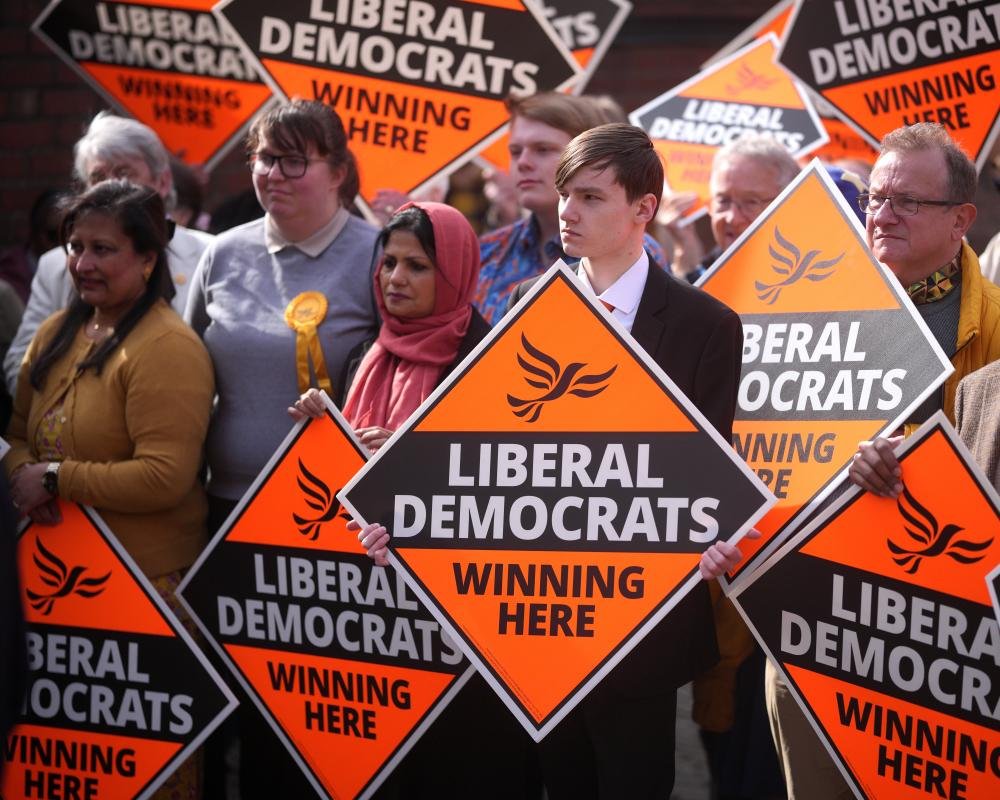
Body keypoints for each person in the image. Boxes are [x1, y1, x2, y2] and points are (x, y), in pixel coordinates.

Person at [362, 123, 742, 798]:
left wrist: (715, 535)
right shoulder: (520, 307)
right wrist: (405, 516)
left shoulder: (705, 325)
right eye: (566, 194)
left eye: (592, 197)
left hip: (640, 622)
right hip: (540, 615)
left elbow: (705, 474)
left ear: (643, 210)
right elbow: (490, 459)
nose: (568, 211)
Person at [774, 123, 1000, 800]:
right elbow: (766, 455)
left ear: (962, 218)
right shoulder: (803, 310)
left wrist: (928, 465)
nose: (881, 214)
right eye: (874, 198)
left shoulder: (995, 330)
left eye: (906, 201)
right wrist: (840, 460)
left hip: (945, 635)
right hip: (819, 613)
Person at [292, 201, 538, 799]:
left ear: (454, 273)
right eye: (389, 263)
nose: (395, 278)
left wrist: (409, 458)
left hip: (464, 629)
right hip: (375, 622)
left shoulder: (491, 364)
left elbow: (510, 495)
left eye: (418, 266)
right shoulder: (363, 356)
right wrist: (324, 440)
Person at [185, 98, 379, 800]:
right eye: (266, 156)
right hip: (225, 514)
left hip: (330, 531)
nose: (274, 173)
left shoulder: (379, 253)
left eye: (294, 159)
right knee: (229, 702)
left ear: (338, 171)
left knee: (303, 718)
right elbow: (184, 376)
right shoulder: (220, 252)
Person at [3, 179, 214, 798]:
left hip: (147, 593)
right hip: (55, 587)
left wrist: (55, 478)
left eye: (103, 250)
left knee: (143, 773)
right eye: (74, 247)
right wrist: (25, 471)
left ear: (149, 259)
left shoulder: (169, 348)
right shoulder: (54, 334)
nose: (83, 264)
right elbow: (15, 433)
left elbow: (165, 476)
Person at [3, 112, 213, 394]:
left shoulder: (211, 254)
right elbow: (21, 363)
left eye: (125, 174)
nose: (113, 188)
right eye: (98, 177)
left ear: (163, 182)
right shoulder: (56, 265)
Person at [474, 92, 667, 323]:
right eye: (515, 151)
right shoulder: (486, 252)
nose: (523, 162)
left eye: (543, 149)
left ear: (587, 153)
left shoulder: (636, 254)